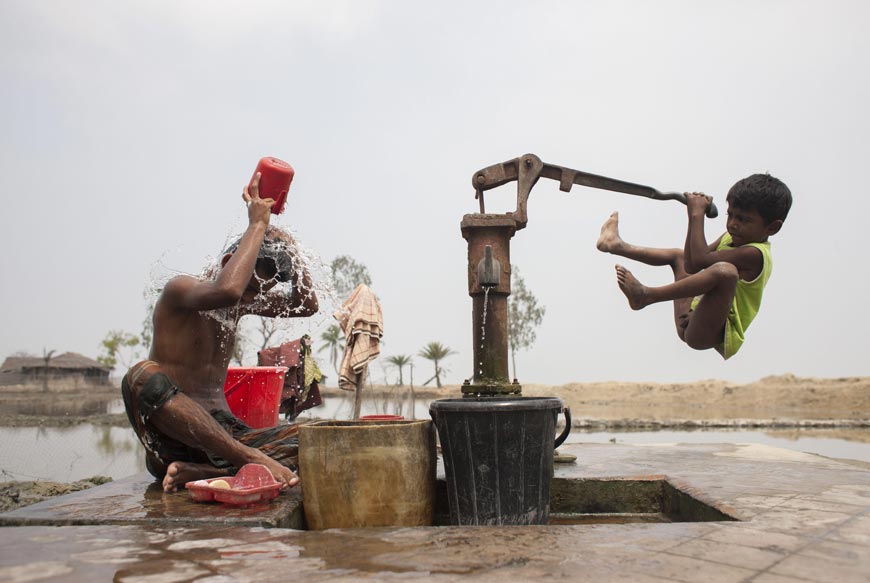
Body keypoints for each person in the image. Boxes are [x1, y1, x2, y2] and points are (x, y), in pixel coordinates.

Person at [121, 171, 319, 493]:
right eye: (250, 288)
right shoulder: (182, 290)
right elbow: (227, 290)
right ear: (230, 261)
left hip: (224, 437)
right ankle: (248, 460)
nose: (252, 299)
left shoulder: (240, 303)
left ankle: (204, 470)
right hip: (172, 437)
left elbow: (305, 304)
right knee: (140, 375)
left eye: (258, 293)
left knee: (315, 437)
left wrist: (293, 253)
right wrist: (256, 224)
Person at [596, 173, 792, 360]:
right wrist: (693, 214)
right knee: (679, 256)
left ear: (772, 227)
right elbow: (691, 264)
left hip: (709, 332)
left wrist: (696, 215)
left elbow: (700, 259)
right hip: (691, 316)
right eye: (730, 214)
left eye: (743, 219)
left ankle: (647, 295)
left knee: (726, 272)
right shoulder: (730, 238)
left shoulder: (756, 254)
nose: (732, 224)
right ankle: (615, 245)